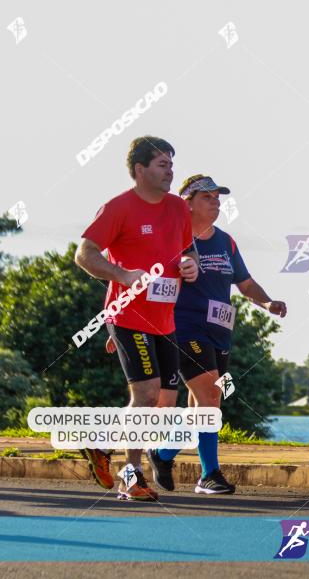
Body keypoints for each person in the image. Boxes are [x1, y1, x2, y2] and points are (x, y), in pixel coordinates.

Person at [145, 174, 287, 494]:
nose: (216, 202)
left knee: (208, 405)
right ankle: (207, 473)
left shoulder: (226, 241)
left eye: (217, 197)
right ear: (187, 204)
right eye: (207, 197)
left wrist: (267, 303)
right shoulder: (171, 240)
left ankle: (166, 455)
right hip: (183, 327)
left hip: (220, 332)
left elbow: (246, 284)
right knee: (209, 396)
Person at [75, 136, 198, 501]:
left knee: (164, 401)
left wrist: (189, 265)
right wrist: (122, 274)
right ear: (139, 170)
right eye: (162, 164)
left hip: (165, 320)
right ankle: (132, 475)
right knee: (144, 394)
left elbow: (186, 251)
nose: (170, 171)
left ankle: (106, 448)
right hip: (128, 313)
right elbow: (84, 254)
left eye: (172, 164)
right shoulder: (118, 208)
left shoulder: (178, 208)